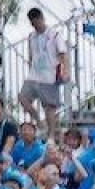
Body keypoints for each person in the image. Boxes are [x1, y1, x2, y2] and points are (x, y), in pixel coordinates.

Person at [19, 8, 68, 137]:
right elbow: (31, 55)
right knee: (23, 97)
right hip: (34, 75)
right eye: (32, 23)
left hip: (50, 75)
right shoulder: (32, 36)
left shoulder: (54, 34)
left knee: (49, 107)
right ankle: (39, 121)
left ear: (41, 18)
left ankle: (51, 135)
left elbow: (62, 53)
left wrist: (64, 71)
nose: (35, 25)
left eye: (36, 21)